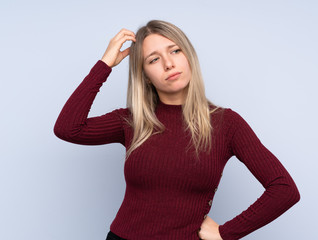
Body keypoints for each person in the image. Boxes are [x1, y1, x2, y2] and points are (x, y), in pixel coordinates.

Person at [54, 20, 300, 240]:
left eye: (175, 51)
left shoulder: (227, 124)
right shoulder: (132, 120)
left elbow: (284, 190)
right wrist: (105, 63)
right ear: (146, 76)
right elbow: (68, 128)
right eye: (154, 59)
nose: (169, 63)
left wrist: (226, 234)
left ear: (189, 57)